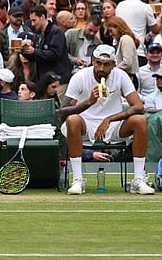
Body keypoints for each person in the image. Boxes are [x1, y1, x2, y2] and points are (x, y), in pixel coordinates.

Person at [60, 45, 154, 195]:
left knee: (140, 120)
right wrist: (89, 102)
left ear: (114, 65)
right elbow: (62, 112)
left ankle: (138, 179)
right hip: (85, 123)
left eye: (106, 64)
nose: (101, 68)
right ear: (92, 61)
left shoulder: (121, 76)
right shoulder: (80, 76)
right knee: (72, 120)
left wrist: (109, 119)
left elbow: (138, 106)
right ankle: (78, 179)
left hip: (113, 124)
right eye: (98, 63)